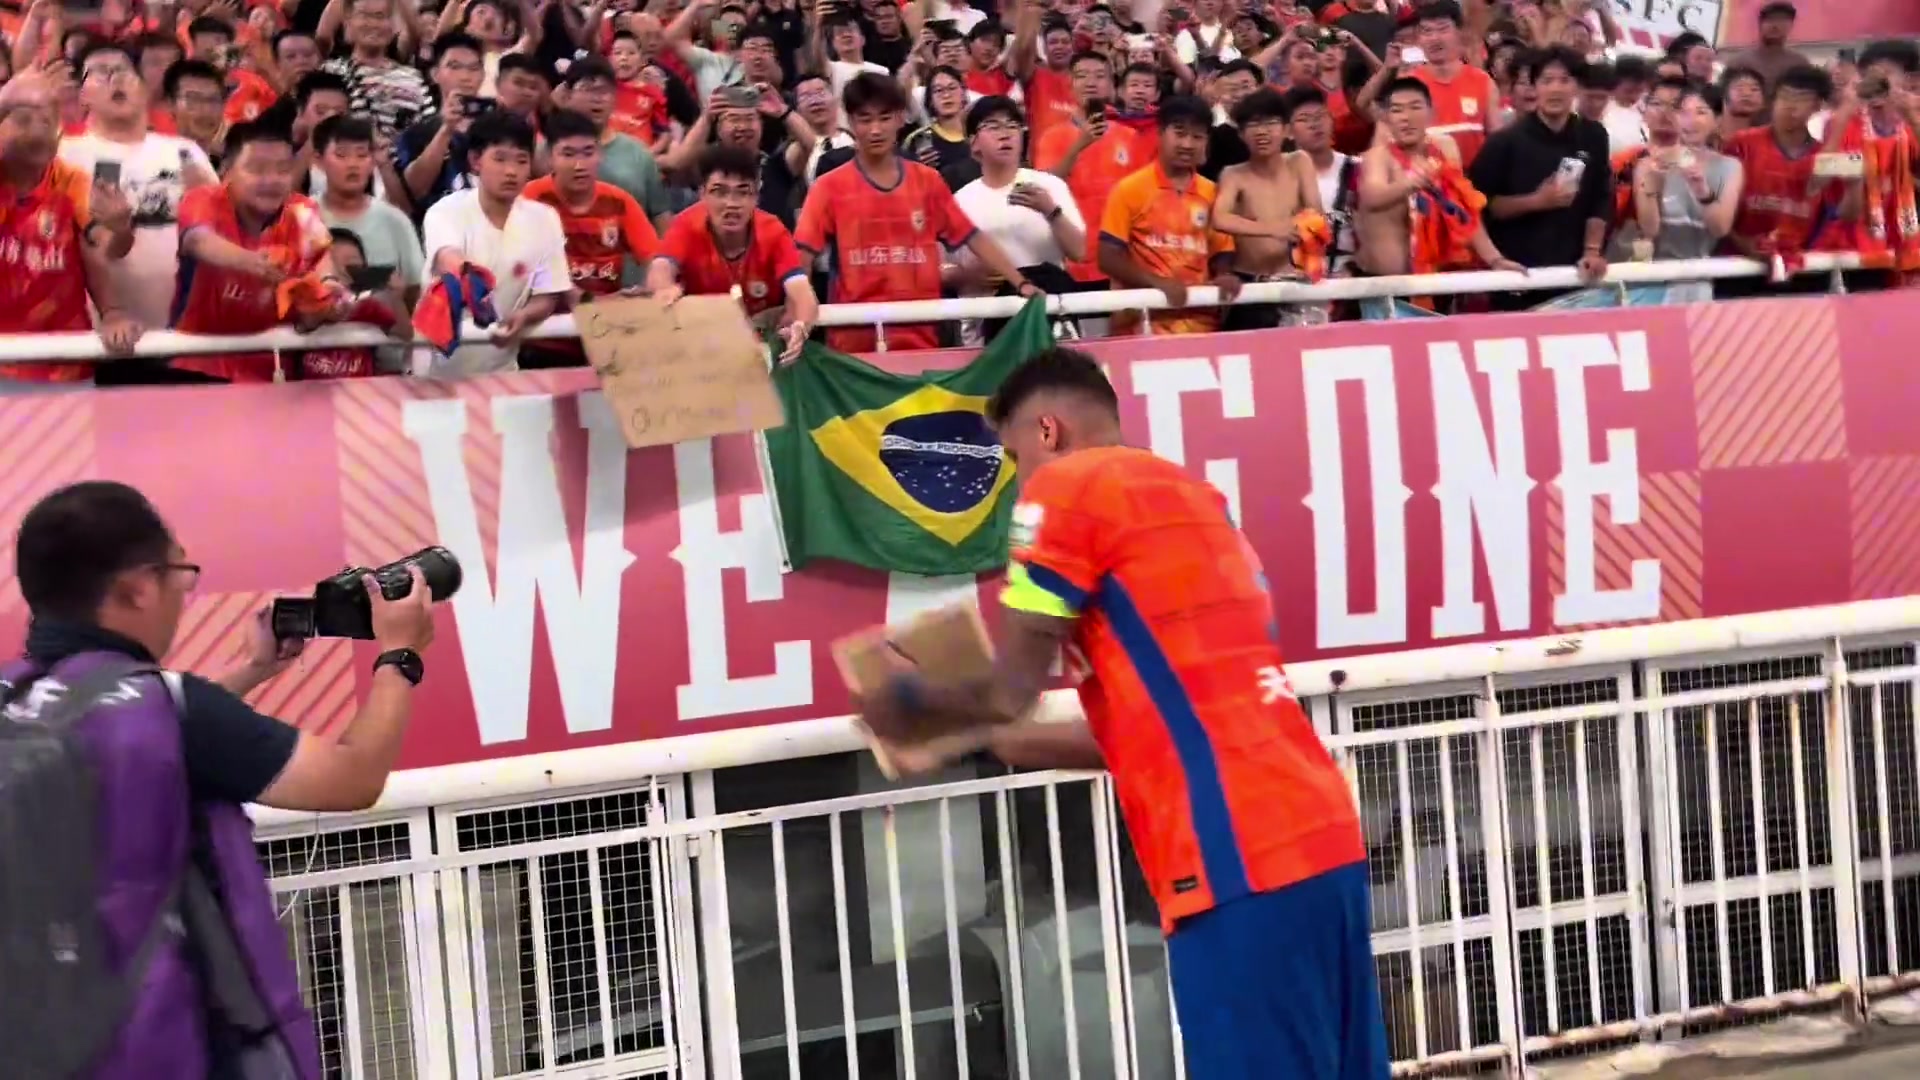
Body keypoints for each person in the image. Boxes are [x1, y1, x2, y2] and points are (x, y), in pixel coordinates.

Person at [853, 347, 1388, 1080]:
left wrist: (906, 700)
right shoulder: (1192, 495)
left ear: (1047, 431)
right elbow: (1148, 727)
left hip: (1232, 859)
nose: (1017, 482)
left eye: (1013, 460)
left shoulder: (1063, 489)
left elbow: (1011, 689)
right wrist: (990, 740)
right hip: (1320, 840)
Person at [4, 479, 436, 1075]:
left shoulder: (16, 700)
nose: (184, 594)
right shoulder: (173, 708)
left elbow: (139, 726)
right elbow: (353, 777)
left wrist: (252, 669)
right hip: (175, 1048)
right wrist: (399, 655)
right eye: (180, 574)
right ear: (137, 588)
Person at [793, 72, 1036, 353]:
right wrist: (798, 308)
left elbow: (971, 236)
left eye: (884, 118)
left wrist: (1021, 282)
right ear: (851, 121)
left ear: (900, 118)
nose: (875, 130)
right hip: (853, 343)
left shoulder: (927, 181)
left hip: (922, 338)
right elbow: (802, 255)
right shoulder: (828, 187)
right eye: (865, 119)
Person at [170, 122, 349, 383]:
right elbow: (198, 240)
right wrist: (252, 261)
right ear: (228, 171)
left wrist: (326, 297)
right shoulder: (202, 199)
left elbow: (324, 263)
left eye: (283, 169)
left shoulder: (302, 211)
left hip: (274, 371)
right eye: (257, 169)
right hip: (198, 367)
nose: (272, 180)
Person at [0, 72, 139, 387]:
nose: (37, 131)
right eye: (23, 119)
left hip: (65, 367)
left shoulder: (71, 182)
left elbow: (104, 248)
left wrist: (120, 230)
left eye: (47, 122)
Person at [419, 109, 572, 374]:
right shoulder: (445, 211)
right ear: (475, 161)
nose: (511, 171)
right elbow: (447, 257)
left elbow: (547, 292)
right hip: (435, 371)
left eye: (521, 161)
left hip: (502, 369)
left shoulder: (545, 219)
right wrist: (472, 282)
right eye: (499, 159)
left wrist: (525, 316)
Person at [647, 144, 818, 360]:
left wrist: (801, 326)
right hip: (701, 342)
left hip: (762, 343)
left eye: (743, 193)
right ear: (702, 194)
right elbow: (661, 267)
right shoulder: (685, 225)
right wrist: (664, 289)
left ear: (756, 196)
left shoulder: (773, 231)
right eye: (719, 192)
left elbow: (802, 291)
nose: (731, 204)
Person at [518, 108, 659, 367]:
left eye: (588, 152)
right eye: (568, 154)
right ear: (549, 158)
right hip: (542, 339)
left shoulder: (619, 201)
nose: (579, 165)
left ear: (600, 155)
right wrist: (594, 301)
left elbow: (656, 260)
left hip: (606, 337)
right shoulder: (530, 200)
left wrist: (653, 288)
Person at [1097, 94, 1241, 335]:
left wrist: (1225, 275)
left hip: (1201, 329)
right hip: (1138, 329)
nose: (1188, 144)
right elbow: (1108, 257)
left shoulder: (1213, 193)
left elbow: (1221, 251)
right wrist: (1157, 283)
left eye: (1197, 137)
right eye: (1180, 133)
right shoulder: (1129, 189)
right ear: (1160, 133)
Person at [948, 96, 1086, 346]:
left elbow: (1079, 251)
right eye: (993, 126)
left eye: (1013, 125)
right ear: (974, 143)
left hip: (1049, 319)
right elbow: (943, 269)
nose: (1006, 134)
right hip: (988, 328)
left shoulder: (1050, 186)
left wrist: (1050, 211)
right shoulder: (960, 201)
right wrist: (968, 275)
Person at [1212, 86, 1323, 329]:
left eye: (1270, 123)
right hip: (1249, 283)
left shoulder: (1299, 162)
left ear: (1286, 130)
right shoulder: (1233, 175)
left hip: (1295, 281)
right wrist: (1272, 228)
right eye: (1253, 125)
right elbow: (1219, 218)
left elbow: (1315, 214)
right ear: (1241, 134)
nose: (1262, 132)